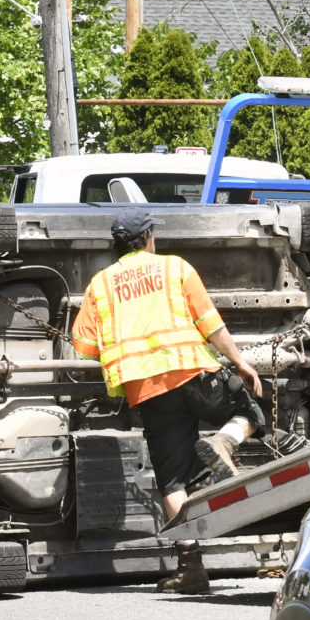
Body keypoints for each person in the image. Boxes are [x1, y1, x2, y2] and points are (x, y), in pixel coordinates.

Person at [70, 207, 264, 594]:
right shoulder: (175, 268)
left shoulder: (100, 285)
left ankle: (191, 569)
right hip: (192, 373)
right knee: (251, 409)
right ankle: (224, 440)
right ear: (148, 239)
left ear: (117, 246)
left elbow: (84, 344)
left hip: (148, 392)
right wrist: (240, 363)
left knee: (173, 481)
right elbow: (211, 324)